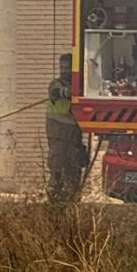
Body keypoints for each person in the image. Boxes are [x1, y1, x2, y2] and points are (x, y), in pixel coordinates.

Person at [45, 52, 87, 200]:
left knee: (74, 172)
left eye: (67, 68)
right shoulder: (55, 84)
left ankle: (72, 202)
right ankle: (54, 202)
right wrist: (72, 91)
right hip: (58, 135)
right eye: (61, 67)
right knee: (57, 170)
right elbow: (56, 92)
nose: (64, 71)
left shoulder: (79, 84)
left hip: (74, 137)